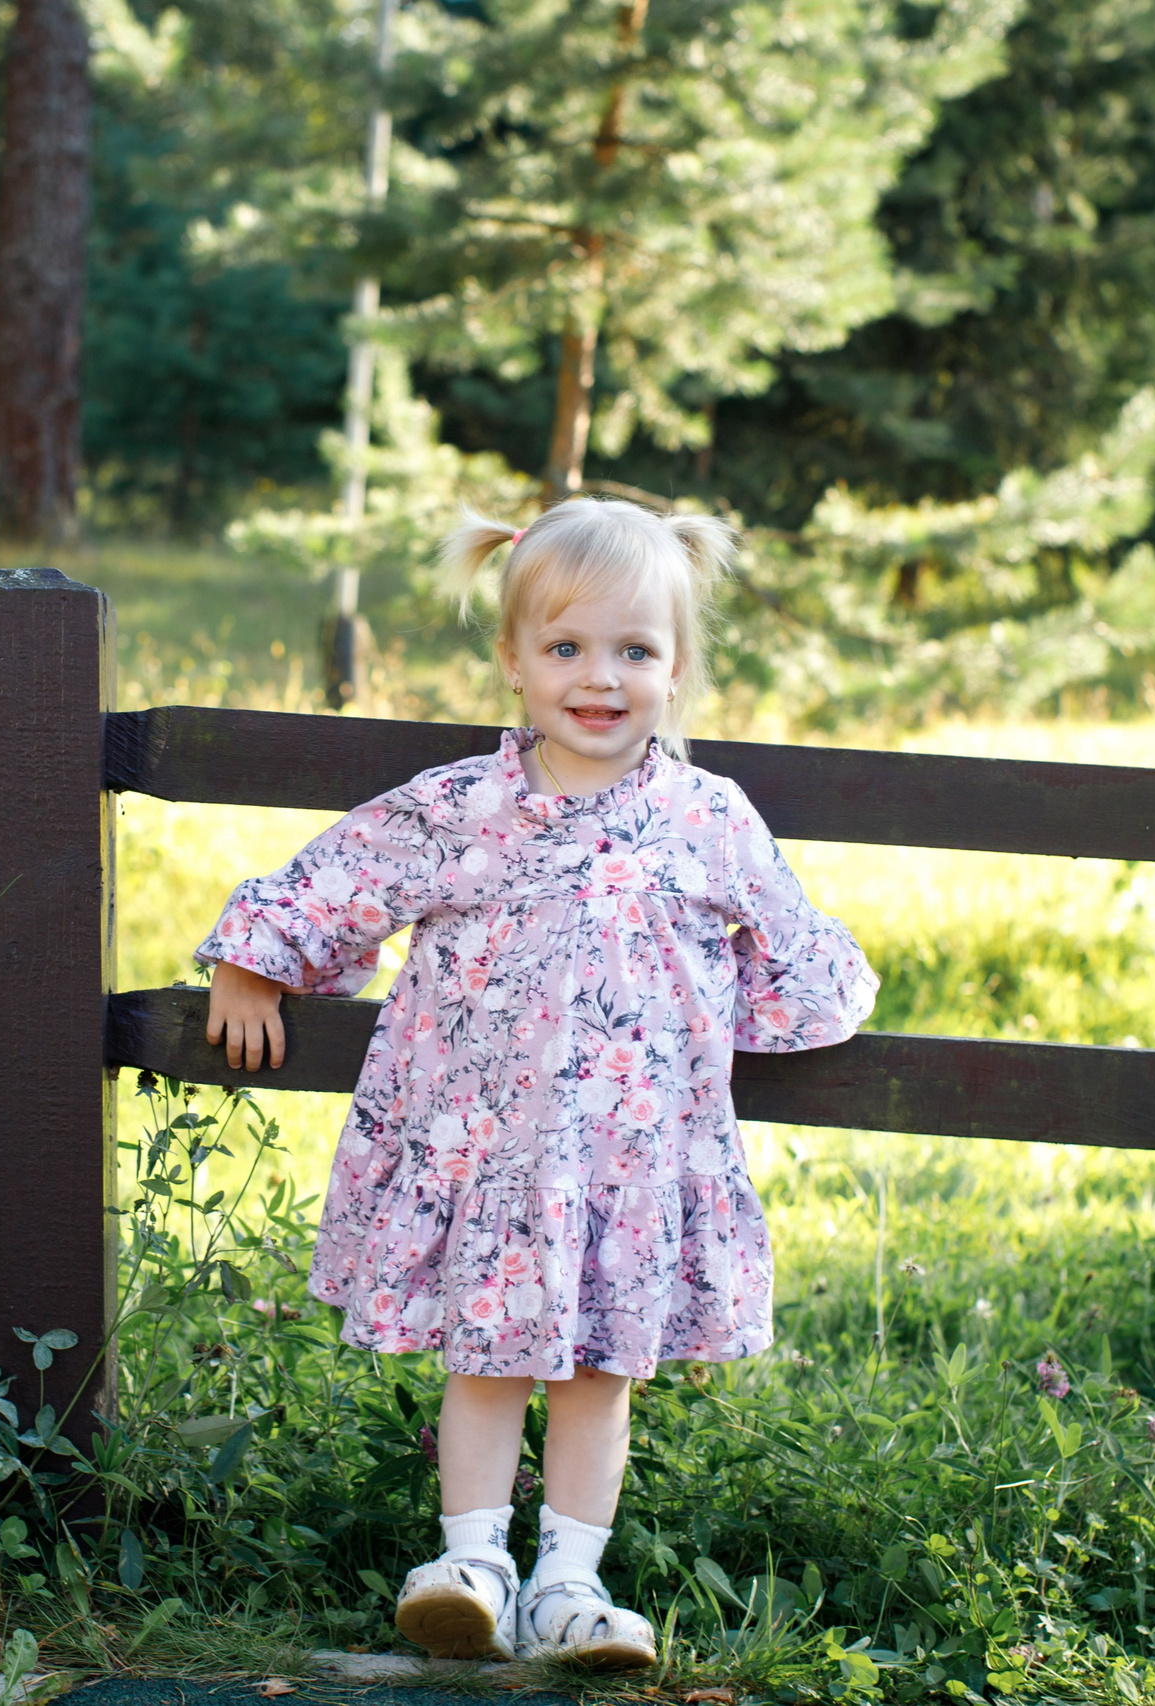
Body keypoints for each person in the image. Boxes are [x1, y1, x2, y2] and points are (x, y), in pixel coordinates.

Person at [198, 497, 877, 1668]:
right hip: (490, 1150)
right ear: (512, 659)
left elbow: (795, 954)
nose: (598, 677)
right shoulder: (465, 806)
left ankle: (569, 1581)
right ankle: (468, 1563)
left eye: (633, 651)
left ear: (675, 667)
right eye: (565, 648)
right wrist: (254, 962)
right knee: (488, 1354)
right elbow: (338, 875)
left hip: (627, 1159)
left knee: (601, 1367)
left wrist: (715, 1024)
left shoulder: (709, 818)